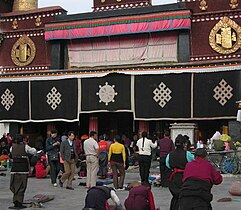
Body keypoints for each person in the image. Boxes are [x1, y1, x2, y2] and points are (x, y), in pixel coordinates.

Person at [166, 134, 194, 210]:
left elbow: (167, 164)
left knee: (175, 197)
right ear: (184, 144)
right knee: (184, 196)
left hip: (174, 178)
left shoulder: (170, 154)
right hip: (185, 177)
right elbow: (193, 163)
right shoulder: (187, 154)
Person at [9, 134, 37, 209]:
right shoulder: (25, 146)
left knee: (15, 185)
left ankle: (15, 201)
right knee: (22, 185)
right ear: (23, 140)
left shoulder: (12, 147)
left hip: (14, 168)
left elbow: (11, 154)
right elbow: (33, 151)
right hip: (23, 169)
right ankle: (19, 202)